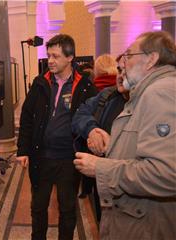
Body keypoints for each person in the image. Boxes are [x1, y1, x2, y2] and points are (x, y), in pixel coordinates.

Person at [73, 31, 176, 239]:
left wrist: (100, 167)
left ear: (151, 59)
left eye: (128, 56)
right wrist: (113, 144)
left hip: (145, 224)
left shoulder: (159, 92)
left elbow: (166, 173)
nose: (123, 65)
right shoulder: (144, 93)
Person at [16, 34, 97, 240]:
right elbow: (26, 117)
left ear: (70, 58)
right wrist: (23, 150)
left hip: (69, 158)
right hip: (41, 157)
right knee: (38, 206)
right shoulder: (40, 82)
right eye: (48, 55)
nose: (50, 60)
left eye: (56, 56)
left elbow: (92, 119)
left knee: (68, 209)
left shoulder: (86, 87)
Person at [71, 55, 129, 222]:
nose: (120, 75)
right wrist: (92, 130)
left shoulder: (149, 105)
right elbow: (80, 114)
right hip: (101, 184)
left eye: (126, 70)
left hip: (128, 191)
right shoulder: (107, 95)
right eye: (119, 69)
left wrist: (109, 148)